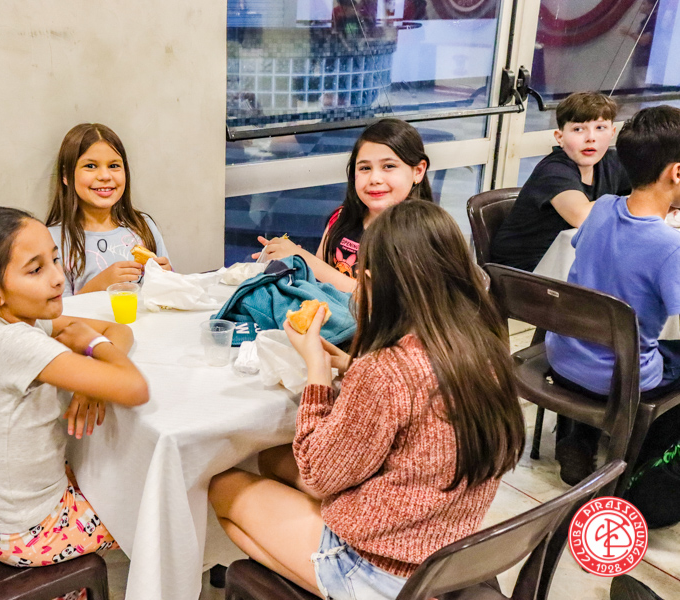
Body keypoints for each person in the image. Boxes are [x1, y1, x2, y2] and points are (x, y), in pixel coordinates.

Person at [211, 201, 525, 600]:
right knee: (271, 460)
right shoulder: (485, 345)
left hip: (385, 569)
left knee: (223, 486)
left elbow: (318, 474)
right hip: (443, 541)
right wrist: (350, 365)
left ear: (372, 282)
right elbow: (415, 396)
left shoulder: (386, 369)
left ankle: (334, 585)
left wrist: (316, 368)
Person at [0, 207, 149, 600]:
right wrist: (92, 350)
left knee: (120, 473)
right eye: (36, 269)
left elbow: (119, 330)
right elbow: (134, 387)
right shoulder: (16, 343)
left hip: (2, 516)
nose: (58, 277)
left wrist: (91, 383)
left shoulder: (9, 320)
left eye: (55, 259)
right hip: (27, 531)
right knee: (156, 507)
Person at [546, 106, 680, 488]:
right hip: (621, 380)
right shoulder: (670, 247)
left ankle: (579, 437)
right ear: (676, 172)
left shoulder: (602, 207)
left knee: (621, 335)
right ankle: (646, 460)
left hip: (564, 358)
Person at [253, 118, 432, 293]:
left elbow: (380, 302)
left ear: (418, 171)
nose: (375, 179)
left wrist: (306, 260)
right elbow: (317, 279)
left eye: (389, 166)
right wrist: (292, 259)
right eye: (365, 168)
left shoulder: (422, 234)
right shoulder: (340, 218)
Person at [491, 91, 631, 271]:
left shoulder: (612, 162)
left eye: (600, 128)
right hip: (523, 273)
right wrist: (637, 201)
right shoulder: (553, 170)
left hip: (569, 262)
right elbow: (581, 216)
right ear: (560, 137)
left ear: (612, 132)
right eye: (578, 129)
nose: (591, 137)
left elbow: (653, 185)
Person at [46, 123, 171, 295]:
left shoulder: (143, 226)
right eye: (90, 166)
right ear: (66, 175)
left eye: (113, 166)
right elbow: (57, 309)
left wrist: (168, 279)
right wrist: (99, 285)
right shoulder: (52, 240)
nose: (105, 176)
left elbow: (170, 295)